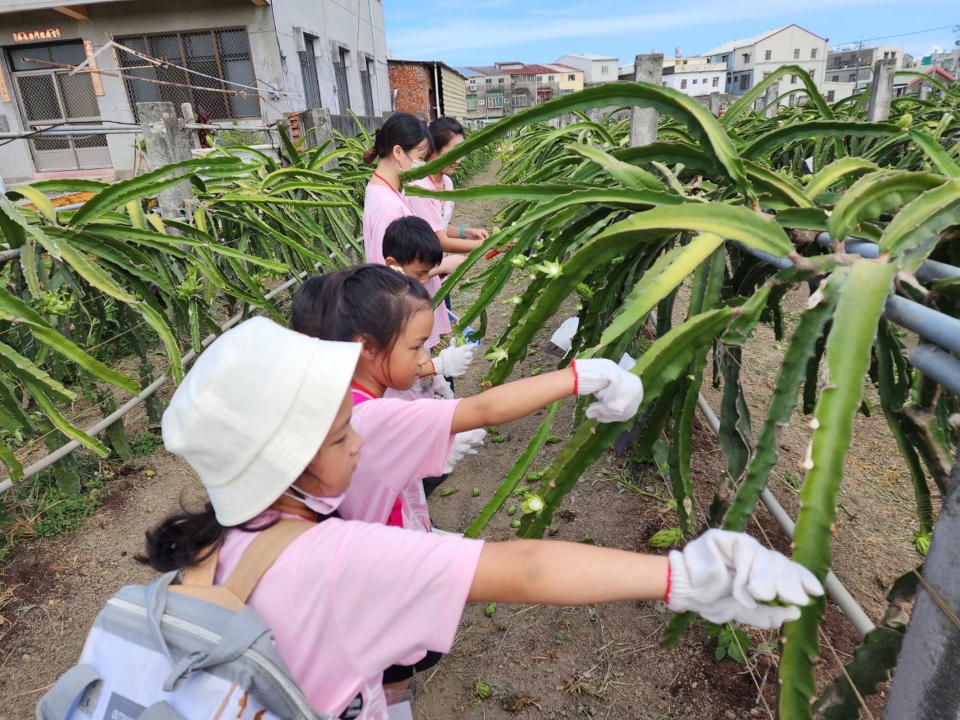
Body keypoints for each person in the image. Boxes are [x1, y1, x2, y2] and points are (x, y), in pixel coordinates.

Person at [145, 315, 824, 719]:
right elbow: (523, 566)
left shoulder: (212, 542)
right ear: (282, 467)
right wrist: (681, 575)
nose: (360, 441)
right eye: (339, 436)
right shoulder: (333, 557)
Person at [290, 264, 643, 535]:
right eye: (415, 346)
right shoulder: (370, 416)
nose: (422, 357)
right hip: (394, 561)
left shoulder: (344, 397)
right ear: (366, 347)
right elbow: (485, 408)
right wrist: (581, 376)